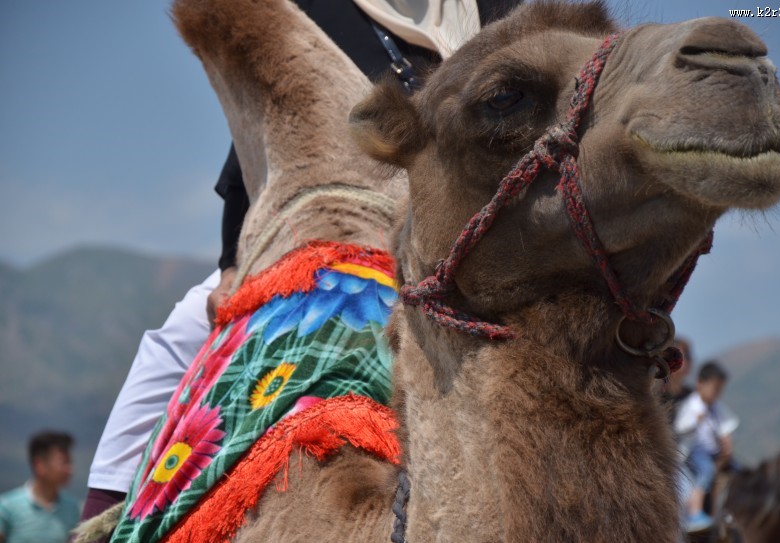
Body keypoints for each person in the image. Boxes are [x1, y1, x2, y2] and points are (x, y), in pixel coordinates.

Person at [82, 0, 522, 522]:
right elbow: (262, 135)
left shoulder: (500, 12)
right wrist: (230, 264)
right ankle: (106, 514)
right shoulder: (319, 11)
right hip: (333, 241)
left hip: (484, 249)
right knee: (180, 335)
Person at [674, 361, 739, 532]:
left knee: (738, 472)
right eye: (714, 389)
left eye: (720, 390)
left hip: (715, 451)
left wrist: (727, 445)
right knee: (706, 471)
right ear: (700, 384)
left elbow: (726, 427)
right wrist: (696, 421)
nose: (717, 394)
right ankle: (695, 510)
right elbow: (680, 426)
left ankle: (732, 511)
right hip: (695, 451)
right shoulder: (692, 405)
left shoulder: (716, 407)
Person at [0, 431, 79, 543]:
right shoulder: (7, 507)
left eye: (70, 462)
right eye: (64, 462)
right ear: (39, 465)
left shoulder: (72, 508)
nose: (70, 469)